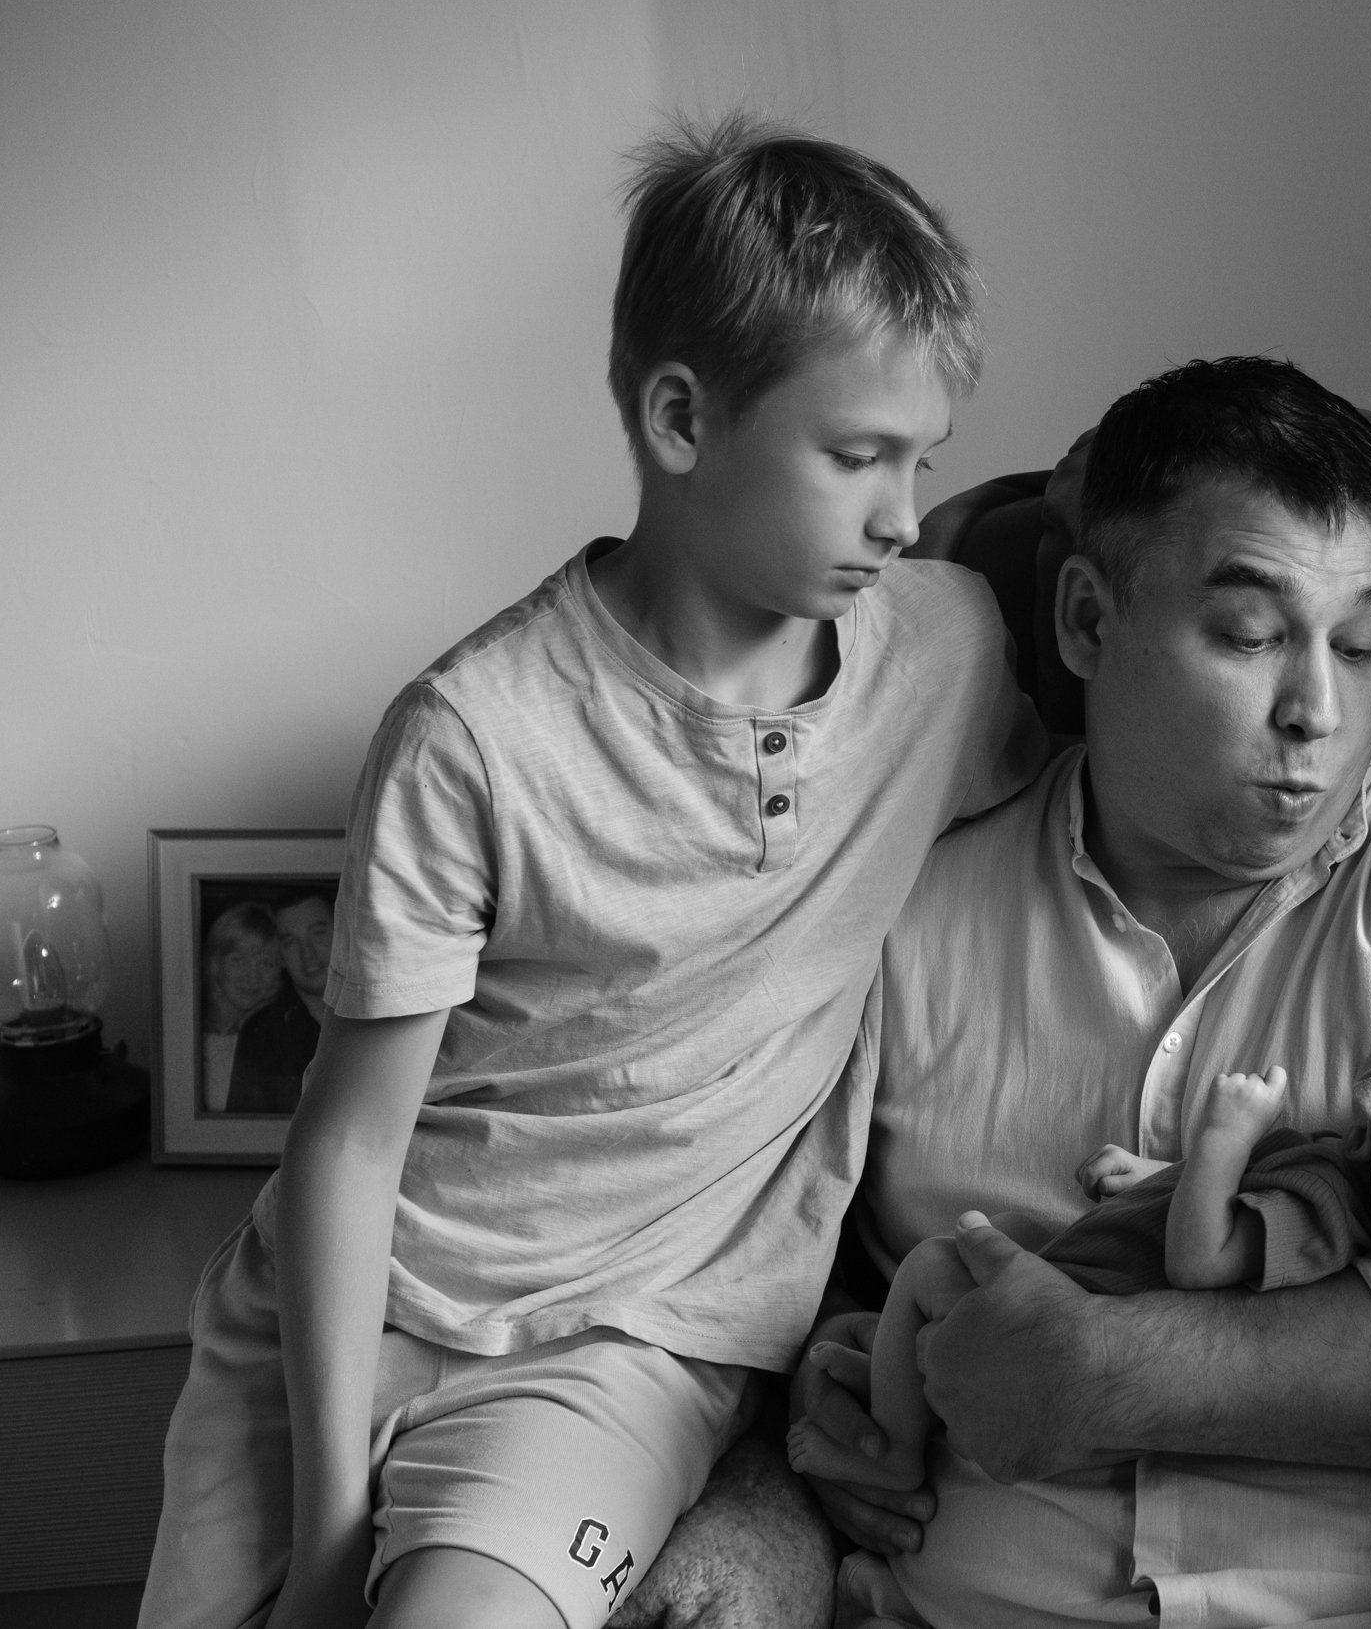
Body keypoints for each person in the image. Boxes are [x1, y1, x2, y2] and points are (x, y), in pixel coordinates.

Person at [139, 114, 1043, 1629]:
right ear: (681, 418)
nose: (899, 512)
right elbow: (350, 1148)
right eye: (854, 456)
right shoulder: (474, 734)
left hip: (625, 1334)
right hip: (349, 1304)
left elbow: (1112, 618)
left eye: (920, 461)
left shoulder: (945, 646)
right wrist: (327, 1531)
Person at [755, 355, 1371, 1627]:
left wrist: (1126, 1370)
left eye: (1362, 643)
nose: (1316, 707)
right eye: (1248, 635)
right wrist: (826, 1378)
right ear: (1086, 621)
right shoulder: (905, 906)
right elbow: (781, 1252)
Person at [825, 970, 1371, 1496]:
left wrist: (1224, 1140)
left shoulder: (1324, 1218)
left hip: (1097, 1304)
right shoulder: (1342, 1177)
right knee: (1015, 1230)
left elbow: (1200, 1259)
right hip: (1097, 1261)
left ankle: (893, 1445)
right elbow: (1229, 1200)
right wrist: (1155, 1175)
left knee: (933, 1263)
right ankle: (896, 1373)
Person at [228, 887, 334, 1114]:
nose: (308, 953)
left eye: (318, 933)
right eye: (290, 942)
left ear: (343, 934)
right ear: (280, 957)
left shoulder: (379, 1015)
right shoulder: (260, 1032)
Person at [198, 903, 284, 1114]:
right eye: (238, 960)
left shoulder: (286, 1038)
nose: (252, 976)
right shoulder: (187, 1034)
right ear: (215, 963)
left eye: (266, 964)